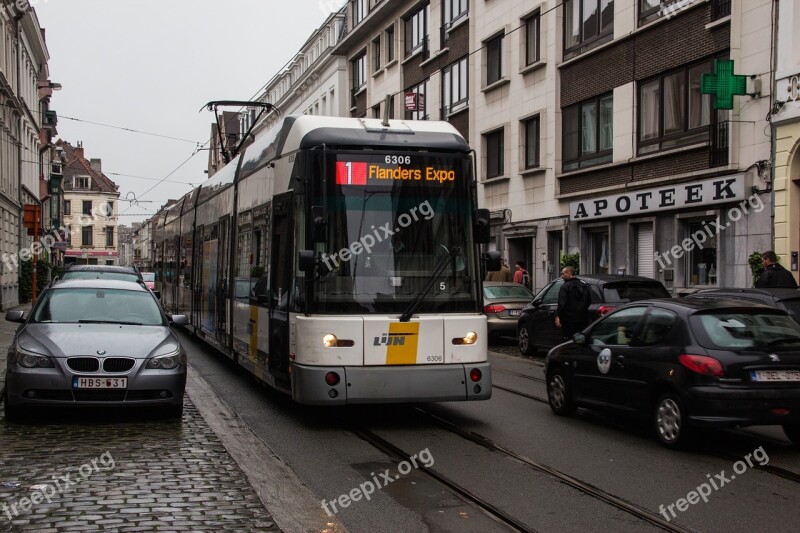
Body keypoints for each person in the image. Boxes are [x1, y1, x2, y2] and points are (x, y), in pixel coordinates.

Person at [555, 266, 592, 340]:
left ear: (568, 273)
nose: (561, 276)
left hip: (569, 320)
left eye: (562, 274)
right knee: (581, 339)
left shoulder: (565, 286)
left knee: (568, 340)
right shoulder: (584, 285)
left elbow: (562, 303)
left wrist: (557, 316)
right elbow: (589, 301)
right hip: (583, 319)